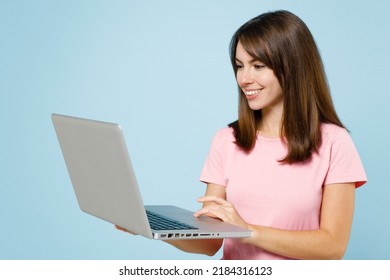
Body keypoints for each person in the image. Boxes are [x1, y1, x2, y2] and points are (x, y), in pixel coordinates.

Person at [118, 10, 367, 260]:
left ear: (292, 66)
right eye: (239, 66)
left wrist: (247, 231)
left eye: (258, 66)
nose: (244, 78)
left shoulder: (334, 142)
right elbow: (209, 243)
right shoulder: (226, 140)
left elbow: (332, 247)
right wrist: (149, 228)